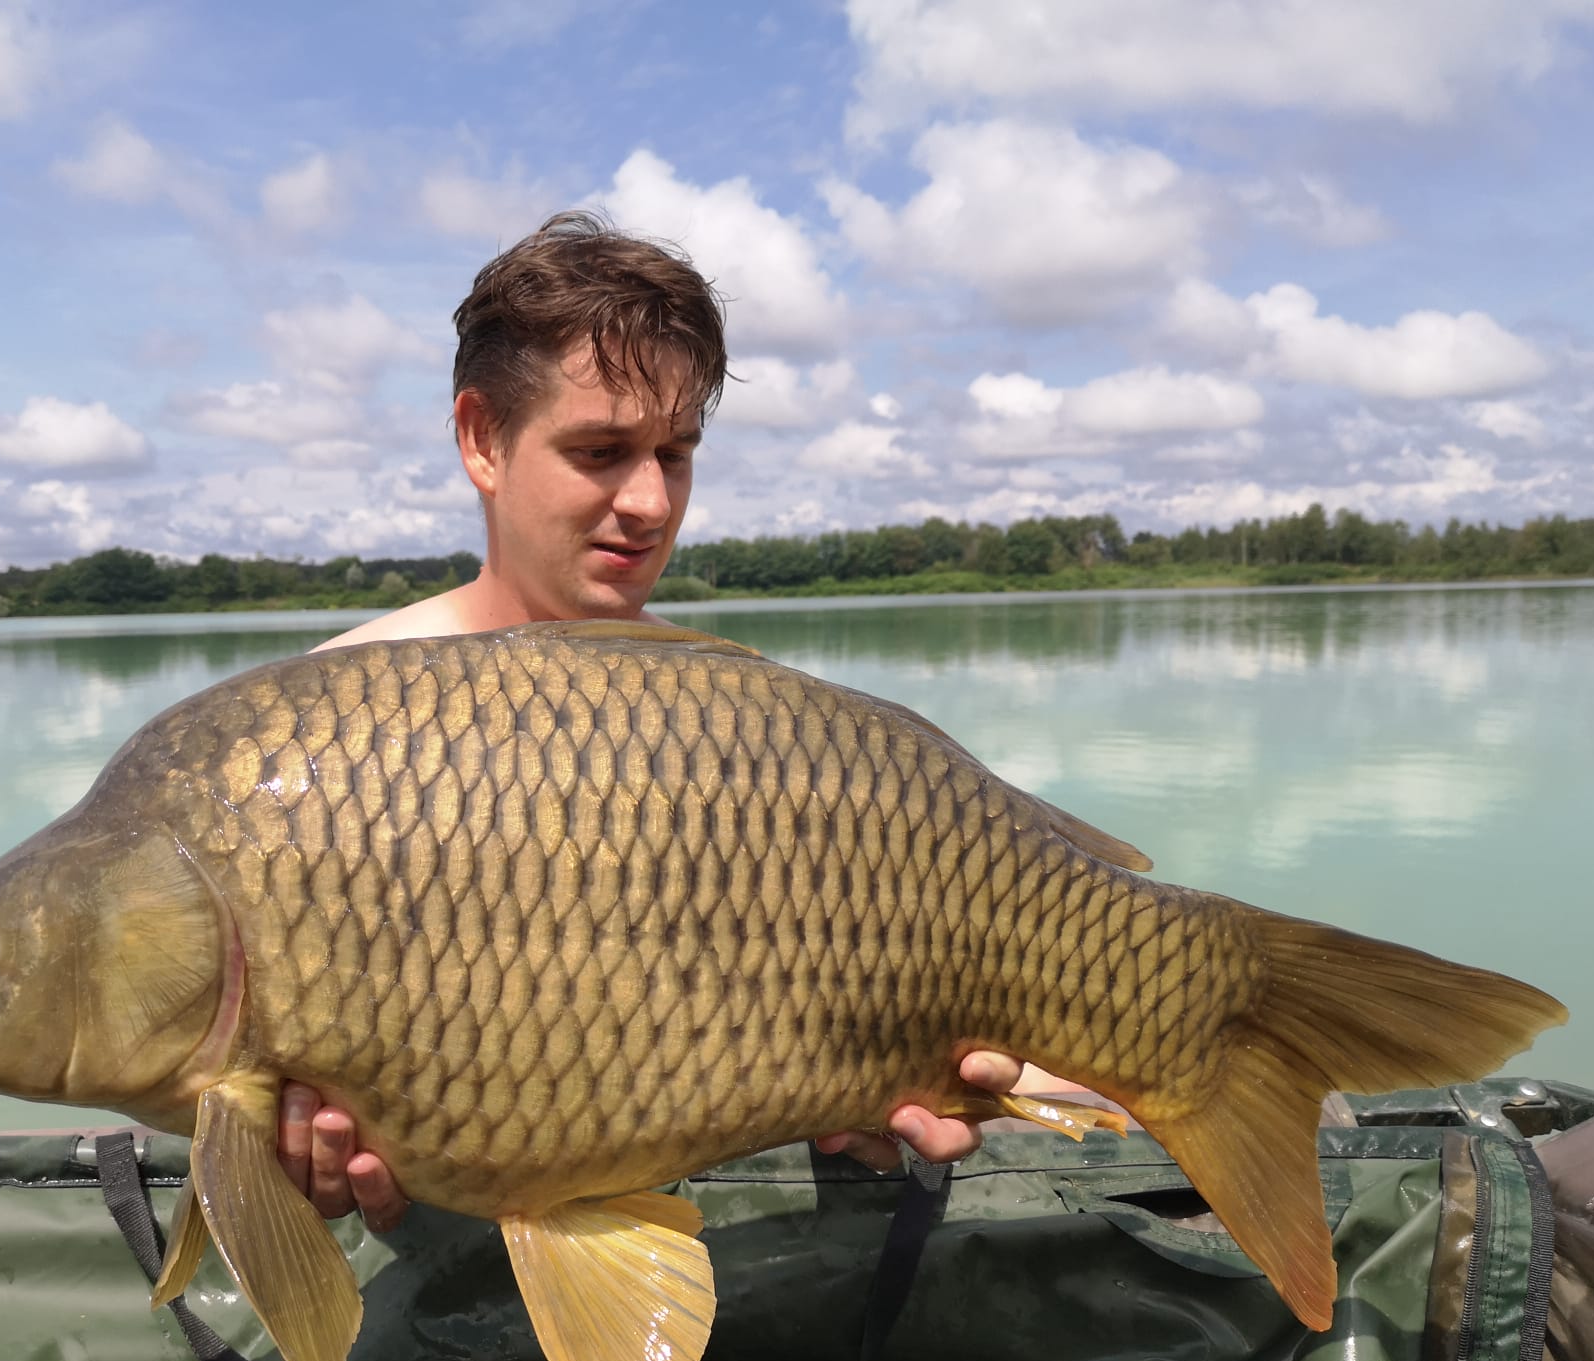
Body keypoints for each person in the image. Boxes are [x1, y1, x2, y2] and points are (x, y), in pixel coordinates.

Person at [275, 211, 1063, 1231]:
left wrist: (928, 1087)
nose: (649, 500)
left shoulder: (746, 724)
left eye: (676, 453)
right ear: (481, 438)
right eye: (601, 450)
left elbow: (888, 1033)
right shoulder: (326, 735)